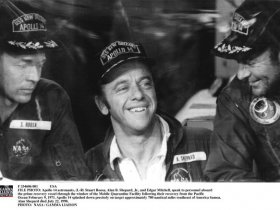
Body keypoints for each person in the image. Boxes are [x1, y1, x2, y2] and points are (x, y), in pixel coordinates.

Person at [85, 40, 210, 182]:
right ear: (102, 104)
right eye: (122, 88)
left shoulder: (206, 144)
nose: (138, 94)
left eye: (145, 84)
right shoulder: (88, 167)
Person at [0, 0, 90, 180]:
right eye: (24, 64)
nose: (34, 76)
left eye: (40, 64)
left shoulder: (50, 98)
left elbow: (74, 178)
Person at [205, 0, 280, 181]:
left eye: (250, 62)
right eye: (239, 61)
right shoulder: (236, 97)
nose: (240, 74)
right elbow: (224, 174)